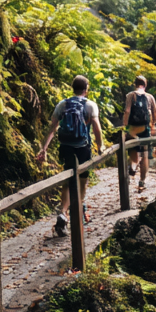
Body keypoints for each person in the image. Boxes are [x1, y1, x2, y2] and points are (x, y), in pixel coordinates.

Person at [36, 75, 105, 237]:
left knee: (68, 180)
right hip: (83, 148)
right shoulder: (90, 105)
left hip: (66, 147)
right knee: (82, 180)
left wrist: (44, 149)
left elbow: (52, 128)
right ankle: (78, 206)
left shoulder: (63, 104)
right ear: (86, 89)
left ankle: (63, 212)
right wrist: (100, 146)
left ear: (72, 88)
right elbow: (96, 127)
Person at [119, 75, 156, 191]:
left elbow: (127, 111)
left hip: (132, 129)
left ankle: (133, 167)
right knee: (145, 154)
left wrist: (125, 126)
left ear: (135, 84)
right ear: (145, 85)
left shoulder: (130, 95)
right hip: (145, 129)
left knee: (133, 152)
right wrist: (153, 124)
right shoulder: (149, 97)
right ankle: (142, 181)